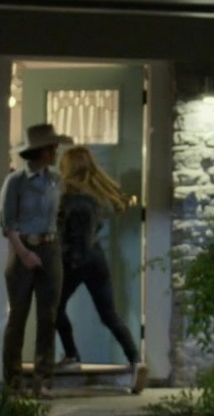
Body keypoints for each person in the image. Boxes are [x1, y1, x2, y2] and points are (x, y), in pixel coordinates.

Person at [50, 145, 149, 394]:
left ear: (68, 167)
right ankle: (135, 359)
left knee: (54, 307)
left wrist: (68, 261)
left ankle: (71, 355)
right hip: (96, 258)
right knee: (109, 314)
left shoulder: (70, 197)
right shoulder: (94, 196)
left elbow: (75, 238)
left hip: (75, 259)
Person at [0, 122, 69, 393]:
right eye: (52, 148)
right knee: (18, 316)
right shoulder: (15, 182)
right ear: (41, 151)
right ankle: (13, 380)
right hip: (22, 250)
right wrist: (24, 252)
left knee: (48, 317)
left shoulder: (55, 180)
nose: (55, 152)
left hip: (49, 249)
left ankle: (44, 379)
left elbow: (60, 214)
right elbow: (8, 224)